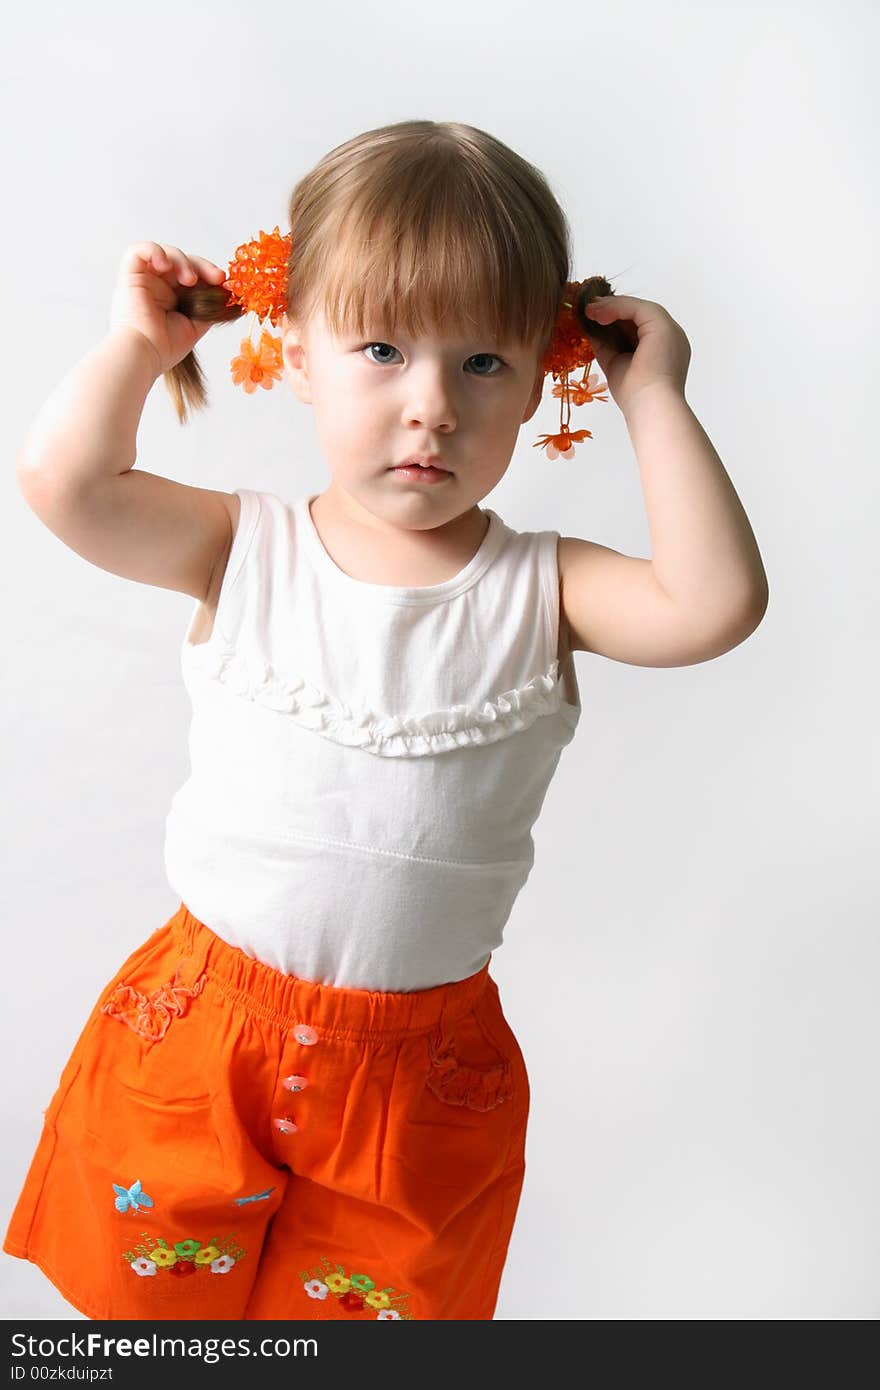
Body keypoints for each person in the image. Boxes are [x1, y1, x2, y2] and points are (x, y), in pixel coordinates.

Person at [2, 119, 769, 1322]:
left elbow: (714, 604)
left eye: (482, 364)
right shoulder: (239, 547)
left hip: (420, 1080)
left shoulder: (547, 587)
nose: (431, 408)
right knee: (159, 1328)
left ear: (542, 378)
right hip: (203, 1041)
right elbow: (66, 482)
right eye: (380, 348)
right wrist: (137, 348)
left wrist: (653, 395)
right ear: (296, 351)